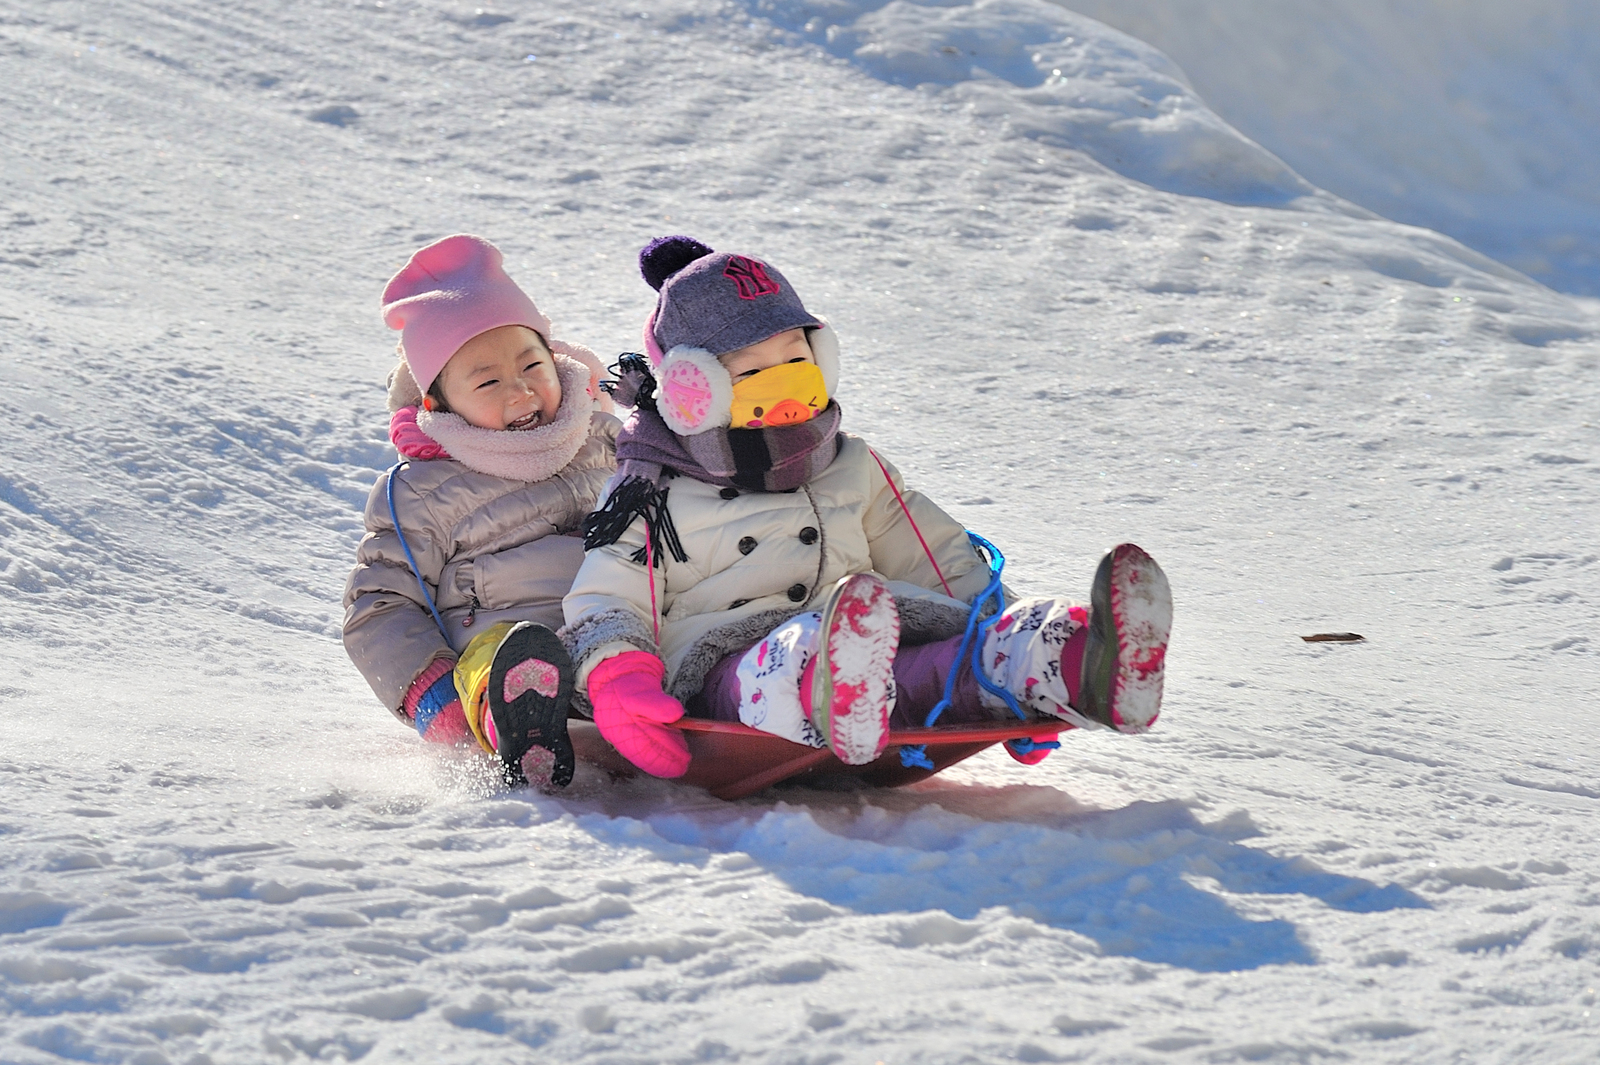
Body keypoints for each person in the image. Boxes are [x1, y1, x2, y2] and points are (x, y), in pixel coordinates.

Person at [561, 236, 1172, 779]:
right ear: (695, 389)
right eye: (751, 371)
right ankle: (834, 684)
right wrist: (619, 676)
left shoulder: (850, 462)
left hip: (863, 633)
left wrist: (996, 628)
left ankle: (1068, 663)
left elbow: (935, 556)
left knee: (952, 659)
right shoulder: (651, 487)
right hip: (727, 666)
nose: (785, 380)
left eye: (796, 359)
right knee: (790, 661)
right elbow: (609, 593)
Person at [343, 234, 617, 787]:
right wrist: (433, 696)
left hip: (619, 632)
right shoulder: (423, 491)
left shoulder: (605, 440)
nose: (520, 392)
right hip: (502, 647)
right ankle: (512, 719)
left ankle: (758, 690)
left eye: (532, 366)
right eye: (488, 381)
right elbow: (380, 605)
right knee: (504, 653)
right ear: (438, 403)